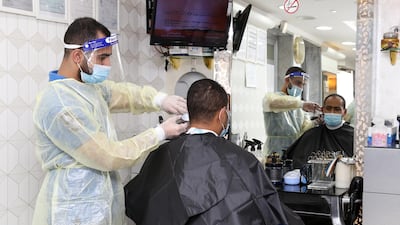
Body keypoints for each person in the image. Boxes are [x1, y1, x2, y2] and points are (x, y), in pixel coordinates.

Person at [32, 17, 188, 225]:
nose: (108, 65)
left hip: (101, 209)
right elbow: (107, 155)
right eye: (103, 58)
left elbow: (123, 94)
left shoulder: (87, 88)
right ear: (78, 56)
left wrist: (160, 99)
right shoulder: (60, 104)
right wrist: (159, 133)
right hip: (74, 212)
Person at [124, 79, 304, 225]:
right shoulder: (241, 159)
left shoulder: (161, 154)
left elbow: (139, 201)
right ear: (222, 114)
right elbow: (267, 208)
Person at [262, 66, 322, 157]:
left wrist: (316, 122)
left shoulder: (298, 106)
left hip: (294, 151)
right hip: (274, 153)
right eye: (298, 83)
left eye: (303, 84)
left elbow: (302, 130)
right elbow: (277, 102)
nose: (300, 87)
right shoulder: (271, 98)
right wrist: (302, 104)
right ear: (287, 80)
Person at [285, 93, 354, 169]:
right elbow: (296, 162)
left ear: (344, 112)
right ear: (322, 110)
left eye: (337, 109)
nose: (332, 112)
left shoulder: (354, 136)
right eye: (328, 108)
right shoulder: (311, 135)